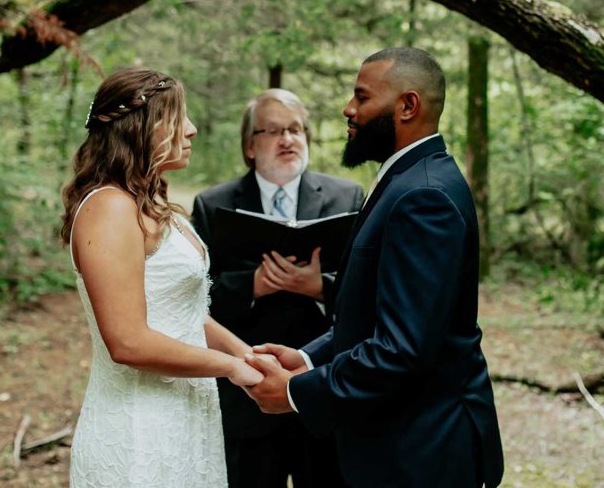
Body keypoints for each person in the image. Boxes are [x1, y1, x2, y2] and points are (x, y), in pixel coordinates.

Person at [245, 48, 505, 488]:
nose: (349, 109)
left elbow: (401, 349)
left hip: (422, 452)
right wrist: (309, 357)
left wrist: (294, 393)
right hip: (396, 443)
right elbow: (373, 315)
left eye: (362, 98)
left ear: (407, 106)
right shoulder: (407, 179)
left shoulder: (425, 196)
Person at [62, 67, 262, 488]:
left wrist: (249, 357)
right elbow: (128, 340)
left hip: (186, 417)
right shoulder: (109, 208)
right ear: (141, 127)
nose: (190, 130)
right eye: (177, 117)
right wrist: (229, 368)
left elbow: (186, 315)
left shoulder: (148, 202)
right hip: (139, 429)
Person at [192, 89, 364, 488]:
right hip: (245, 396)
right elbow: (193, 299)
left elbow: (366, 294)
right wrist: (252, 285)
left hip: (321, 389)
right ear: (250, 146)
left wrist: (319, 287)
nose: (288, 139)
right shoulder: (213, 205)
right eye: (273, 131)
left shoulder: (347, 197)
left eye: (295, 129)